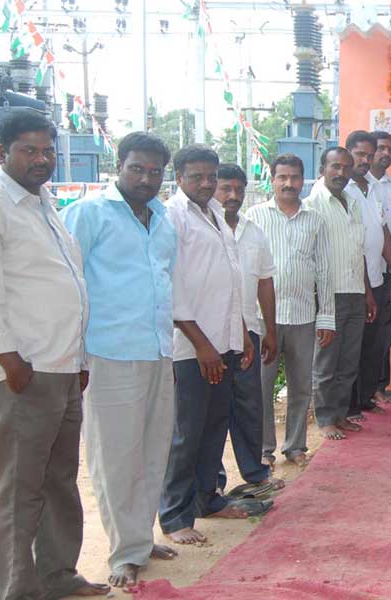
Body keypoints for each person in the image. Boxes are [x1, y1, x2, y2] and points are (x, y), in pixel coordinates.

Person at [0, 110, 109, 598]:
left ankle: (57, 574)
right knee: (18, 490)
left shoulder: (45, 207)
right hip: (23, 372)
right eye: (29, 150)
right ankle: (15, 589)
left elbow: (68, 288)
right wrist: (9, 360)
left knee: (58, 480)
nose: (41, 159)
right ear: (3, 153)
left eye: (48, 150)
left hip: (62, 367)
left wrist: (76, 360)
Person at [61, 132, 179, 588]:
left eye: (154, 171)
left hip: (156, 349)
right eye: (137, 168)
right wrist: (75, 352)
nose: (146, 178)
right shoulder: (89, 214)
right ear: (119, 164)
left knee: (152, 451)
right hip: (108, 351)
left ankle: (140, 538)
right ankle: (122, 554)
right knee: (115, 457)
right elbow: (67, 280)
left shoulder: (163, 219)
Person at [159, 145, 263, 546]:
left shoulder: (216, 214)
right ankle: (174, 515)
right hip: (192, 348)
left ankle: (207, 499)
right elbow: (172, 287)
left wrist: (240, 332)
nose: (205, 183)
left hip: (225, 342)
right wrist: (202, 346)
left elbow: (232, 280)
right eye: (196, 176)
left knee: (214, 427)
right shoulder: (173, 217)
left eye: (210, 177)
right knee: (187, 432)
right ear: (179, 176)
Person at [247, 154, 334, 466]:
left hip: (303, 316)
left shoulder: (314, 220)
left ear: (304, 180)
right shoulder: (254, 216)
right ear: (272, 179)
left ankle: (295, 446)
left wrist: (326, 317)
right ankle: (263, 450)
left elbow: (324, 271)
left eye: (295, 177)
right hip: (262, 319)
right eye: (282, 177)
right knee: (261, 387)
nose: (288, 183)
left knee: (300, 385)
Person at [214, 163, 285, 494]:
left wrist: (269, 329)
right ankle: (211, 481)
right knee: (211, 411)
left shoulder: (253, 232)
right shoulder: (203, 229)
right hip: (209, 337)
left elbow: (265, 281)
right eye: (225, 188)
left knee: (248, 405)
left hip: (249, 334)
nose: (232, 196)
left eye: (238, 189)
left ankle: (255, 473)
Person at [305, 147, 376, 440]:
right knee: (326, 361)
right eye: (336, 166)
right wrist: (319, 299)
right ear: (323, 168)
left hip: (355, 291)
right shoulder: (312, 204)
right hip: (329, 295)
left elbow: (358, 251)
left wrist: (368, 293)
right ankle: (324, 419)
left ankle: (341, 414)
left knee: (348, 361)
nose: (342, 173)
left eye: (346, 168)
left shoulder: (352, 202)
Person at [344, 131, 391, 420]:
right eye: (361, 154)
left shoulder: (374, 189)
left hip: (378, 278)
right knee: (354, 346)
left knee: (373, 344)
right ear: (348, 154)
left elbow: (384, 232)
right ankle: (350, 406)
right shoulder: (342, 190)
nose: (365, 160)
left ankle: (365, 398)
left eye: (369, 155)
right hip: (354, 282)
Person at [370, 131, 391, 404]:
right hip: (367, 270)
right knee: (369, 331)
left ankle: (380, 385)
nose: (385, 153)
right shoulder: (359, 185)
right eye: (380, 148)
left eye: (390, 149)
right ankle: (367, 390)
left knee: (386, 330)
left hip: (389, 270)